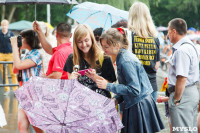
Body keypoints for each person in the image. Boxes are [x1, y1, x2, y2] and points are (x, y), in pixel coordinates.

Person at [97, 28, 164, 133]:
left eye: (106, 47)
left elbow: (134, 89)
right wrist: (117, 99)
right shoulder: (123, 57)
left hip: (138, 105)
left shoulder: (125, 61)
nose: (104, 50)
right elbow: (129, 86)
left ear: (117, 45)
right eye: (103, 47)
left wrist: (108, 86)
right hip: (137, 103)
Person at [63, 24, 116, 98]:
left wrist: (94, 77)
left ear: (92, 39)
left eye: (86, 40)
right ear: (75, 43)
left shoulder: (105, 58)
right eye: (80, 42)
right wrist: (71, 80)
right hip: (80, 105)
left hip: (101, 104)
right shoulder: (72, 58)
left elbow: (109, 85)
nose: (84, 44)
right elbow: (69, 86)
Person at [167, 18, 199, 132]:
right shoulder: (190, 46)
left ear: (174, 31)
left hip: (183, 94)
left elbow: (181, 78)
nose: (167, 34)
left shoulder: (182, 50)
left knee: (181, 130)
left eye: (168, 31)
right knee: (190, 128)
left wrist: (176, 99)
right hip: (190, 92)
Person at [10, 29, 44, 133]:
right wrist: (17, 50)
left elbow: (19, 65)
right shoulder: (27, 54)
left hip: (34, 95)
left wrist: (15, 47)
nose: (19, 40)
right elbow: (15, 69)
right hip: (24, 94)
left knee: (37, 127)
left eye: (21, 38)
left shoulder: (36, 54)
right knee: (21, 126)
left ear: (29, 39)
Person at [128, 2, 160, 101]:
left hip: (134, 87)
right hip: (152, 86)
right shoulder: (155, 38)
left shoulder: (128, 37)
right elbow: (156, 65)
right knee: (150, 116)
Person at [0, 19, 18, 95]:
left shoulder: (11, 34)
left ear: (7, 26)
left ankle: (15, 90)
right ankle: (7, 89)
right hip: (1, 54)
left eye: (5, 25)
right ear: (1, 26)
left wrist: (16, 54)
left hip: (10, 54)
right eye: (3, 25)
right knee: (4, 73)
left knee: (13, 72)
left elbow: (14, 44)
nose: (4, 27)